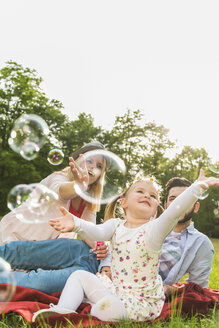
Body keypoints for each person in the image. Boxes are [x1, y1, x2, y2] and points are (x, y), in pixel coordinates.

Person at [32, 169, 219, 322]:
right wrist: (76, 223)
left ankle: (96, 310)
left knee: (107, 308)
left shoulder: (154, 230)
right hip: (117, 289)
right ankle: (63, 310)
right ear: (124, 202)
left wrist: (196, 188)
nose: (147, 196)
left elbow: (174, 211)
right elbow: (96, 232)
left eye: (153, 196)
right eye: (140, 191)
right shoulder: (115, 225)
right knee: (79, 276)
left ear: (156, 209)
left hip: (139, 301)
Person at [0, 142, 109, 293]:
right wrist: (78, 185)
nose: (92, 167)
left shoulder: (89, 201)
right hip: (14, 238)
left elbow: (88, 230)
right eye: (89, 161)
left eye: (98, 166)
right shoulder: (58, 178)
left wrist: (100, 246)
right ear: (76, 162)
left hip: (38, 249)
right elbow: (62, 192)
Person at [159, 176, 215, 297]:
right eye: (173, 199)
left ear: (196, 207)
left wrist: (172, 290)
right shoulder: (148, 227)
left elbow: (197, 289)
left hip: (153, 294)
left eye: (185, 199)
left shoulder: (200, 243)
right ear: (166, 205)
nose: (178, 204)